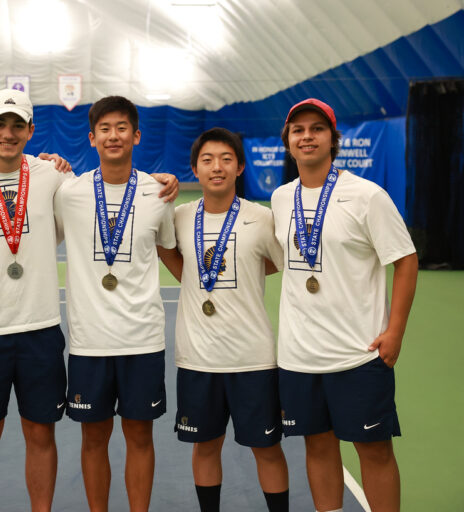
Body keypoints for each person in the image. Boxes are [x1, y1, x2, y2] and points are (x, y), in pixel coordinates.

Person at [0, 90, 179, 512]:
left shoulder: (56, 180)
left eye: (18, 125)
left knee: (43, 435)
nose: (8, 133)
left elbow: (151, 226)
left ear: (32, 131)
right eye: (0, 124)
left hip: (44, 332)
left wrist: (163, 181)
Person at [270, 99, 418, 512]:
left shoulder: (367, 195)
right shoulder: (281, 198)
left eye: (317, 129)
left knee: (373, 452)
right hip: (299, 356)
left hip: (358, 353)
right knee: (317, 448)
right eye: (298, 130)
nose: (307, 136)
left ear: (333, 140)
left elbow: (405, 260)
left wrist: (396, 331)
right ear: (288, 142)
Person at [53, 95, 176, 512]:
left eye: (122, 127)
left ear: (136, 136)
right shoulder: (69, 192)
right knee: (93, 438)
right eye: (104, 129)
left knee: (140, 437)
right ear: (91, 138)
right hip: (90, 343)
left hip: (142, 339)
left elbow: (174, 254)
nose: (113, 135)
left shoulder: (159, 192)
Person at [157, 128, 289, 511]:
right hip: (199, 357)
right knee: (205, 445)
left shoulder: (262, 218)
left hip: (253, 358)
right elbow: (168, 251)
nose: (217, 167)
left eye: (226, 159)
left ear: (240, 167)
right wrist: (191, 276)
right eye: (208, 160)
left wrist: (246, 271)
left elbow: (281, 262)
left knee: (266, 448)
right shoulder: (180, 217)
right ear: (194, 169)